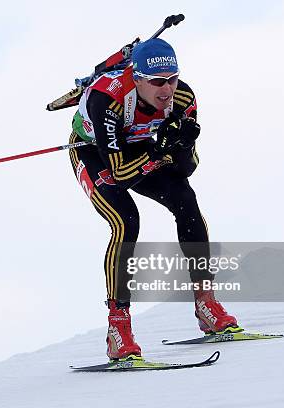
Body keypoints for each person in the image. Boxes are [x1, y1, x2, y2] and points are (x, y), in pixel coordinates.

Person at [69, 38, 240, 360]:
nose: (166, 90)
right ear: (137, 79)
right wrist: (161, 151)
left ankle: (207, 304)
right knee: (126, 221)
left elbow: (187, 170)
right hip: (94, 152)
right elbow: (120, 174)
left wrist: (181, 146)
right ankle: (117, 329)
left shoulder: (183, 96)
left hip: (139, 147)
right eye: (157, 82)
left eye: (172, 79)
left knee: (186, 202)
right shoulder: (108, 99)